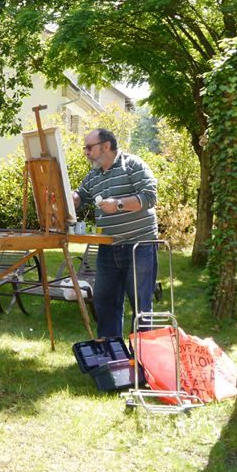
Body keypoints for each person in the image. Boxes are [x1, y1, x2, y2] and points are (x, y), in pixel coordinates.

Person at [72, 128, 159, 339]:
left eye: (89, 147)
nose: (86, 152)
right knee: (105, 302)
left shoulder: (133, 165)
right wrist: (68, 197)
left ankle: (141, 357)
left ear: (106, 146)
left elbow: (149, 197)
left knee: (141, 306)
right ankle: (111, 353)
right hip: (107, 247)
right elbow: (81, 197)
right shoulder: (93, 175)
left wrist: (118, 205)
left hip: (140, 246)